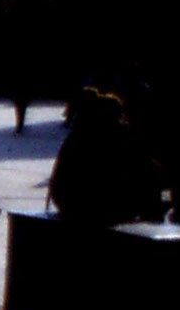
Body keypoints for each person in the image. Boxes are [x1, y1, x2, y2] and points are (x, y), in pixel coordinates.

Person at [49, 89, 163, 228]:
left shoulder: (78, 136)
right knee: (149, 179)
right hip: (106, 206)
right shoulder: (121, 136)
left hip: (71, 203)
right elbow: (148, 169)